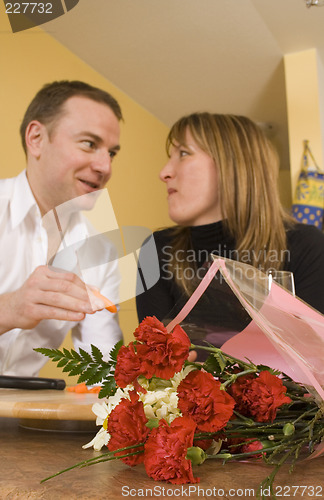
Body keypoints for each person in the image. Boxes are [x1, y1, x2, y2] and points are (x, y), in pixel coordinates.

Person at [136, 113, 324, 351]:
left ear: (234, 166)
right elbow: (156, 366)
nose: (164, 173)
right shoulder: (157, 249)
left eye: (184, 153)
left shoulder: (307, 246)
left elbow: (314, 364)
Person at [0, 80, 124, 376]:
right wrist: (10, 309)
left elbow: (102, 370)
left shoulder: (102, 252)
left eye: (112, 153)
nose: (105, 167)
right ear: (36, 138)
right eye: (89, 144)